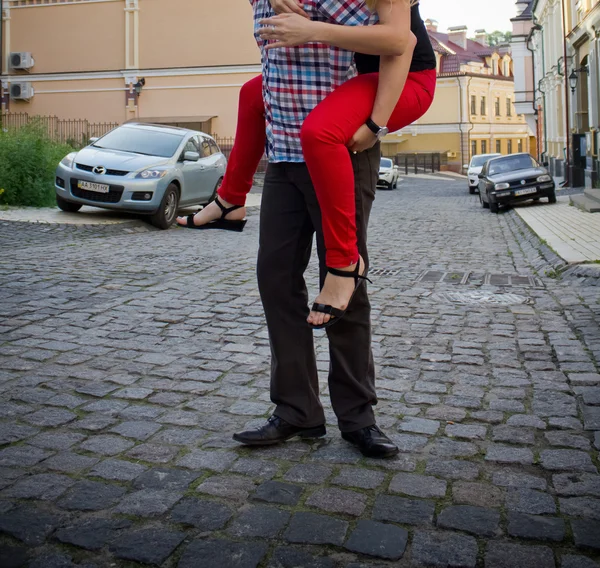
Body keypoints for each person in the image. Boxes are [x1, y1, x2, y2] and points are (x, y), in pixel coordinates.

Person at [231, 0, 436, 459]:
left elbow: (399, 44)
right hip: (285, 147)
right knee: (276, 279)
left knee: (344, 280)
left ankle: (359, 417)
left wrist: (375, 122)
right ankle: (296, 411)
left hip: (343, 148)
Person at [178, 0, 436, 329]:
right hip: (361, 76)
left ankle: (344, 265)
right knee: (252, 94)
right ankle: (230, 201)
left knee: (319, 133)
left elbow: (402, 43)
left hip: (406, 79)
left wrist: (375, 125)